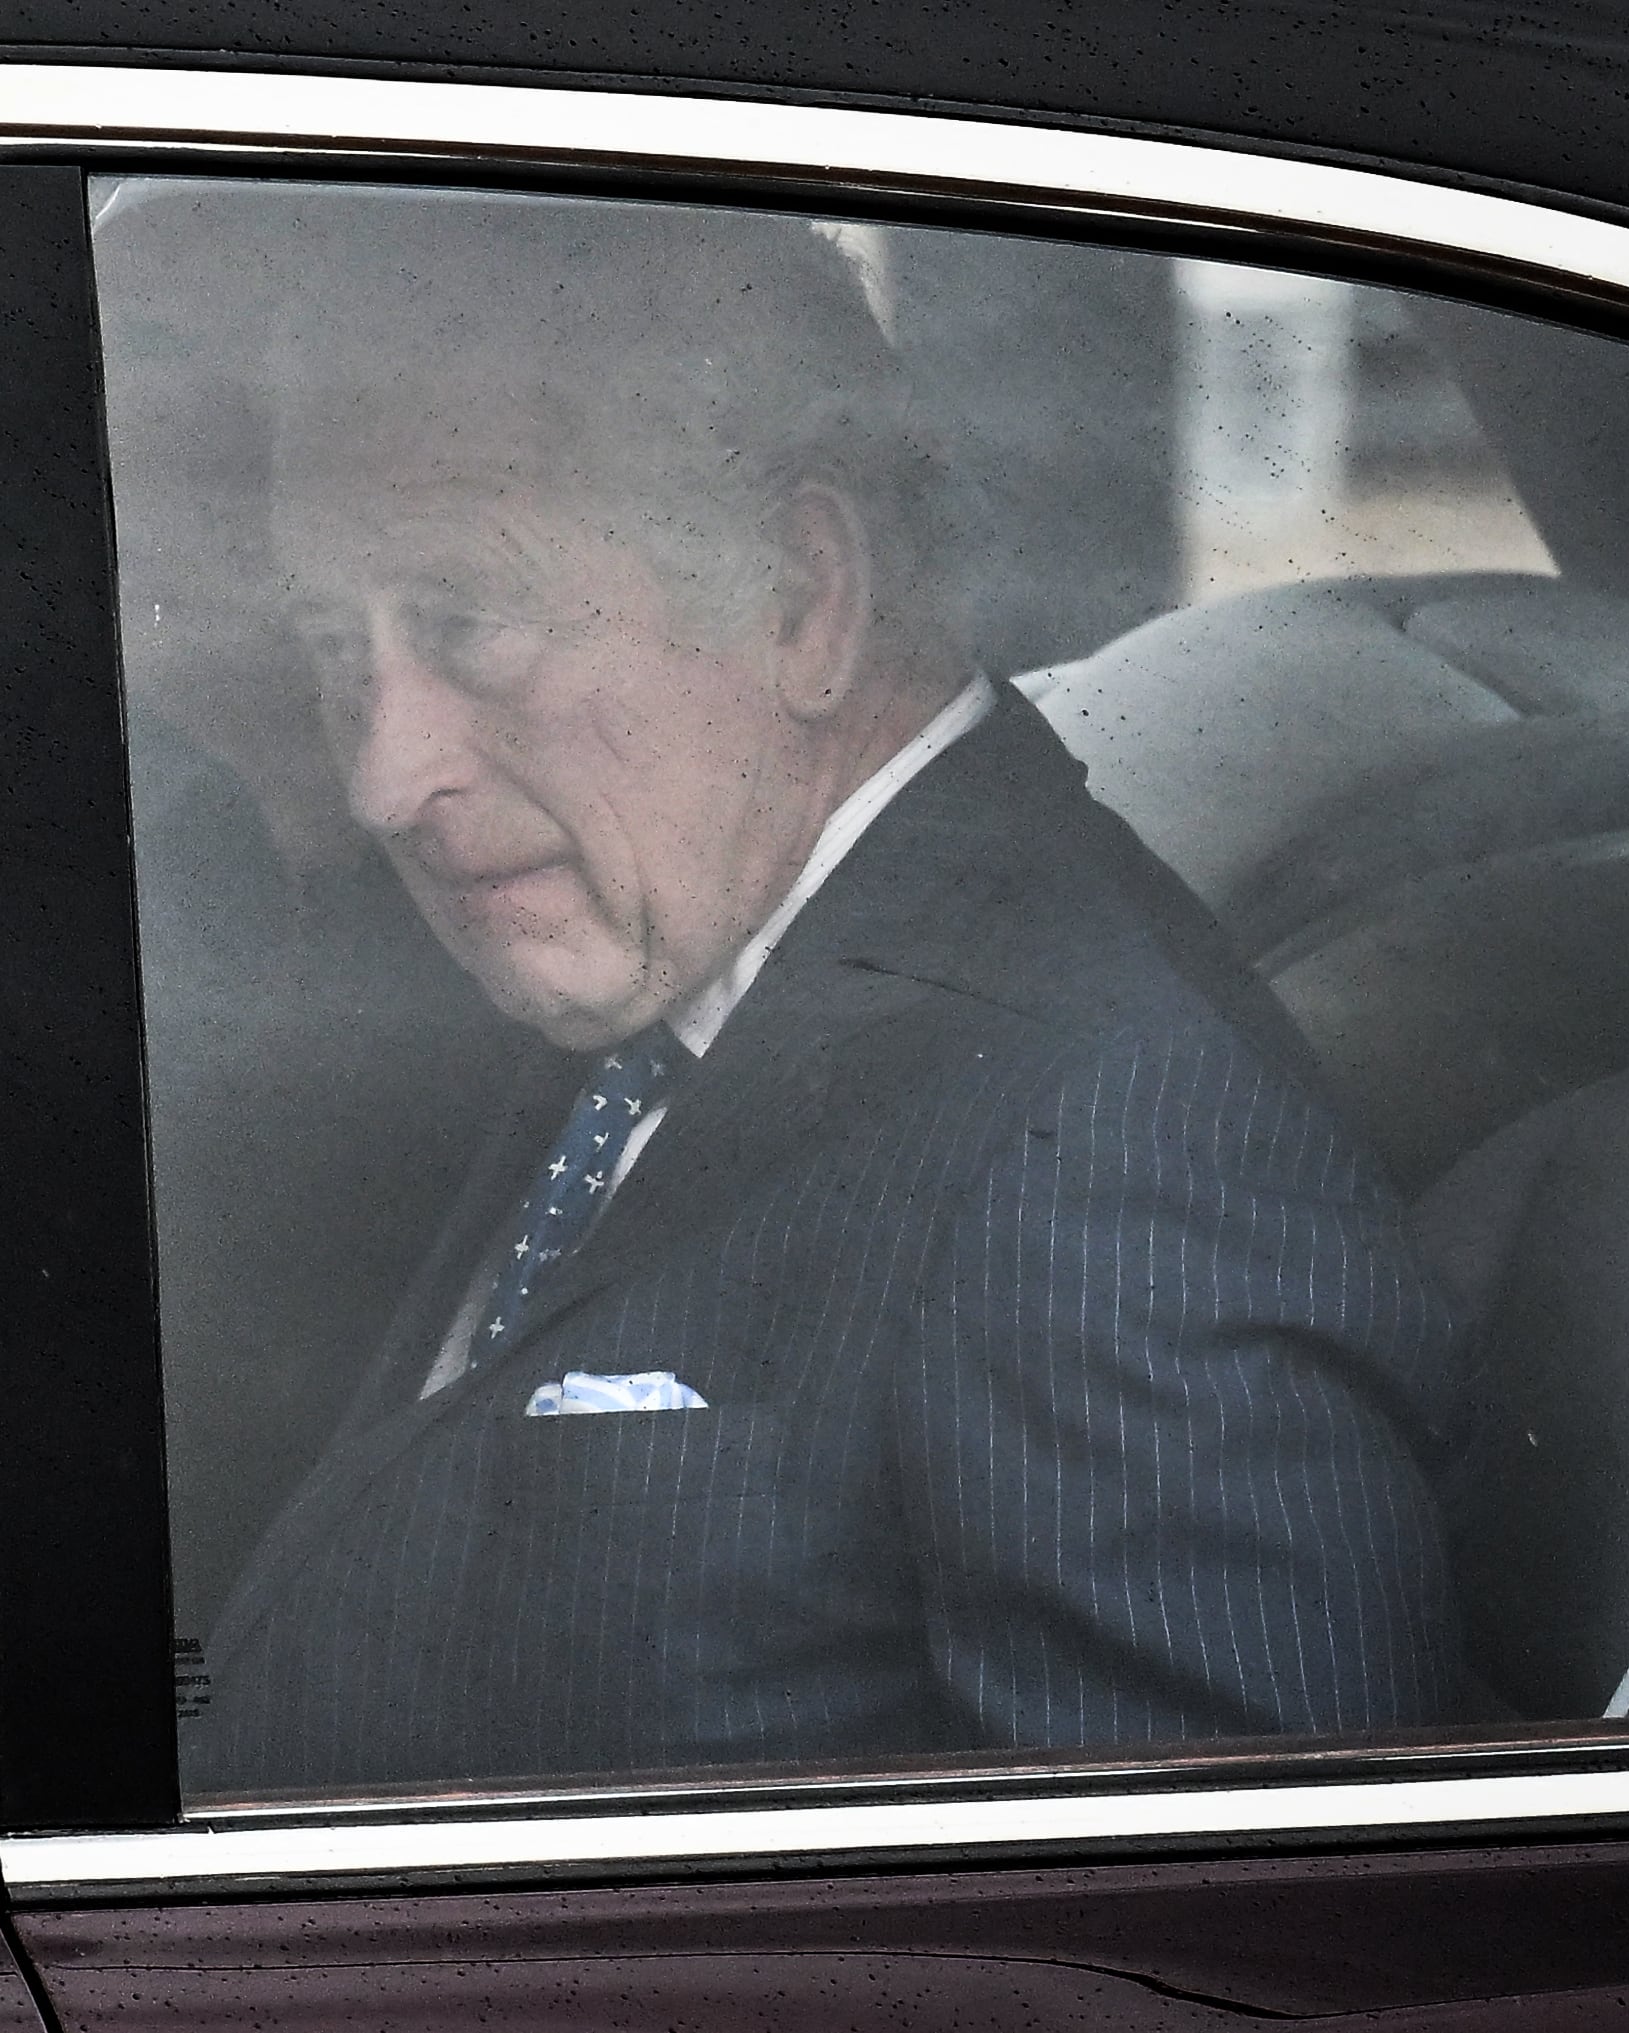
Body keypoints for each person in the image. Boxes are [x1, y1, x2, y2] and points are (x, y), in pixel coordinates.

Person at [160, 188, 1470, 1795]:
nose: (385, 773)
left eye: (463, 623)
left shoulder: (1107, 1162)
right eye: (337, 648)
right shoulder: (676, 952)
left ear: (801, 595)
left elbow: (1243, 1945)